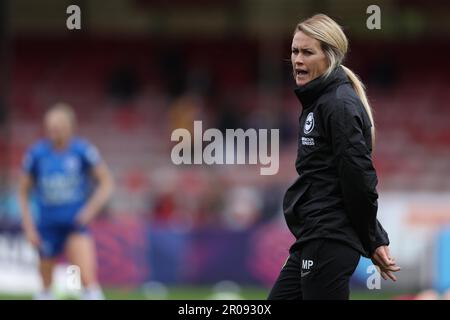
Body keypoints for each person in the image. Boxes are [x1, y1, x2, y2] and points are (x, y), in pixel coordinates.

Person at [268, 14, 400, 300]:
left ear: (330, 56)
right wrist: (372, 236)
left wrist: (372, 238)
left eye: (307, 52)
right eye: (294, 51)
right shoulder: (319, 101)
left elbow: (358, 181)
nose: (297, 60)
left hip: (328, 239)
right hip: (314, 236)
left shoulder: (337, 105)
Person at [18, 103, 114, 300]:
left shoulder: (82, 151)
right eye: (50, 126)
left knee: (85, 279)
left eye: (58, 126)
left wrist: (89, 210)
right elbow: (23, 192)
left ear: (70, 126)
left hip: (74, 225)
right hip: (47, 226)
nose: (54, 131)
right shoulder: (36, 154)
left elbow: (106, 183)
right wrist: (29, 227)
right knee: (46, 284)